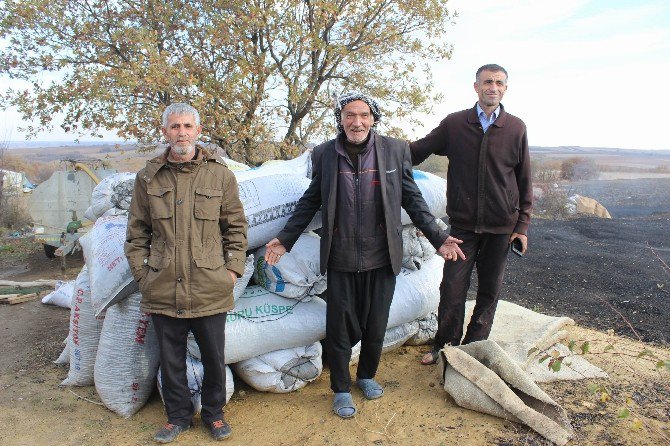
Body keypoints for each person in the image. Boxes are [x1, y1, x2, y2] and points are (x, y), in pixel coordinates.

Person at [264, 92, 464, 419]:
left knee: (376, 323)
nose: (357, 122)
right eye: (350, 115)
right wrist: (284, 239)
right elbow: (310, 202)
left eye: (364, 115)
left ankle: (367, 376)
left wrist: (439, 237)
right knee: (340, 325)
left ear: (373, 118)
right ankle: (341, 388)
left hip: (382, 255)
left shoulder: (394, 151)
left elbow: (414, 202)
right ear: (340, 119)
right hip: (341, 255)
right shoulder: (325, 154)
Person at [125, 103, 248, 443]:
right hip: (162, 285)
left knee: (213, 357)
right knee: (171, 359)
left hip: (211, 285)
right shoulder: (148, 176)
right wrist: (143, 277)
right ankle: (177, 417)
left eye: (187, 126)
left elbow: (235, 227)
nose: (181, 132)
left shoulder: (219, 174)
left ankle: (214, 414)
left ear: (197, 130)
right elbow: (137, 235)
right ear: (164, 132)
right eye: (174, 126)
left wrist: (232, 272)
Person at [410, 64, 533, 365]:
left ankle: (475, 346)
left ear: (505, 88)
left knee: (490, 291)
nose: (493, 87)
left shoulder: (515, 127)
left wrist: (523, 225)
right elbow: (418, 150)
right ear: (476, 87)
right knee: (452, 287)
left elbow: (524, 178)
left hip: (501, 226)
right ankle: (445, 345)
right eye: (487, 82)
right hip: (462, 228)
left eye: (499, 83)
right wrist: (378, 151)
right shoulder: (455, 124)